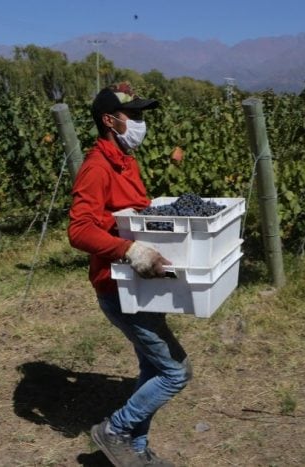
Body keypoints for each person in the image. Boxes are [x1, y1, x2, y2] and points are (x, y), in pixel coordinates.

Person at [68, 82, 190, 467]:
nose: (140, 123)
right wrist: (130, 249)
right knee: (176, 371)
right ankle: (115, 430)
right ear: (110, 120)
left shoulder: (124, 160)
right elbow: (79, 230)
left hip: (139, 284)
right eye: (133, 116)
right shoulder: (96, 167)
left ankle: (137, 454)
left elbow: (132, 211)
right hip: (117, 286)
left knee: (152, 367)